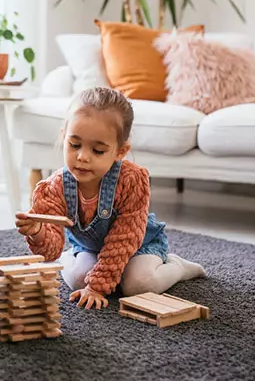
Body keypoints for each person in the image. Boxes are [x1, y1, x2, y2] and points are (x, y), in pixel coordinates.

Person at [15, 87, 206, 310]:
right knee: (78, 280)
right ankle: (73, 258)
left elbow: (124, 240)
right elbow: (48, 251)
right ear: (63, 136)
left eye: (97, 151)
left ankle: (177, 266)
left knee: (138, 285)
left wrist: (97, 286)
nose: (82, 157)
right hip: (90, 248)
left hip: (138, 247)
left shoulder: (132, 180)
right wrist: (37, 231)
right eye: (74, 145)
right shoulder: (53, 188)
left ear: (119, 152)